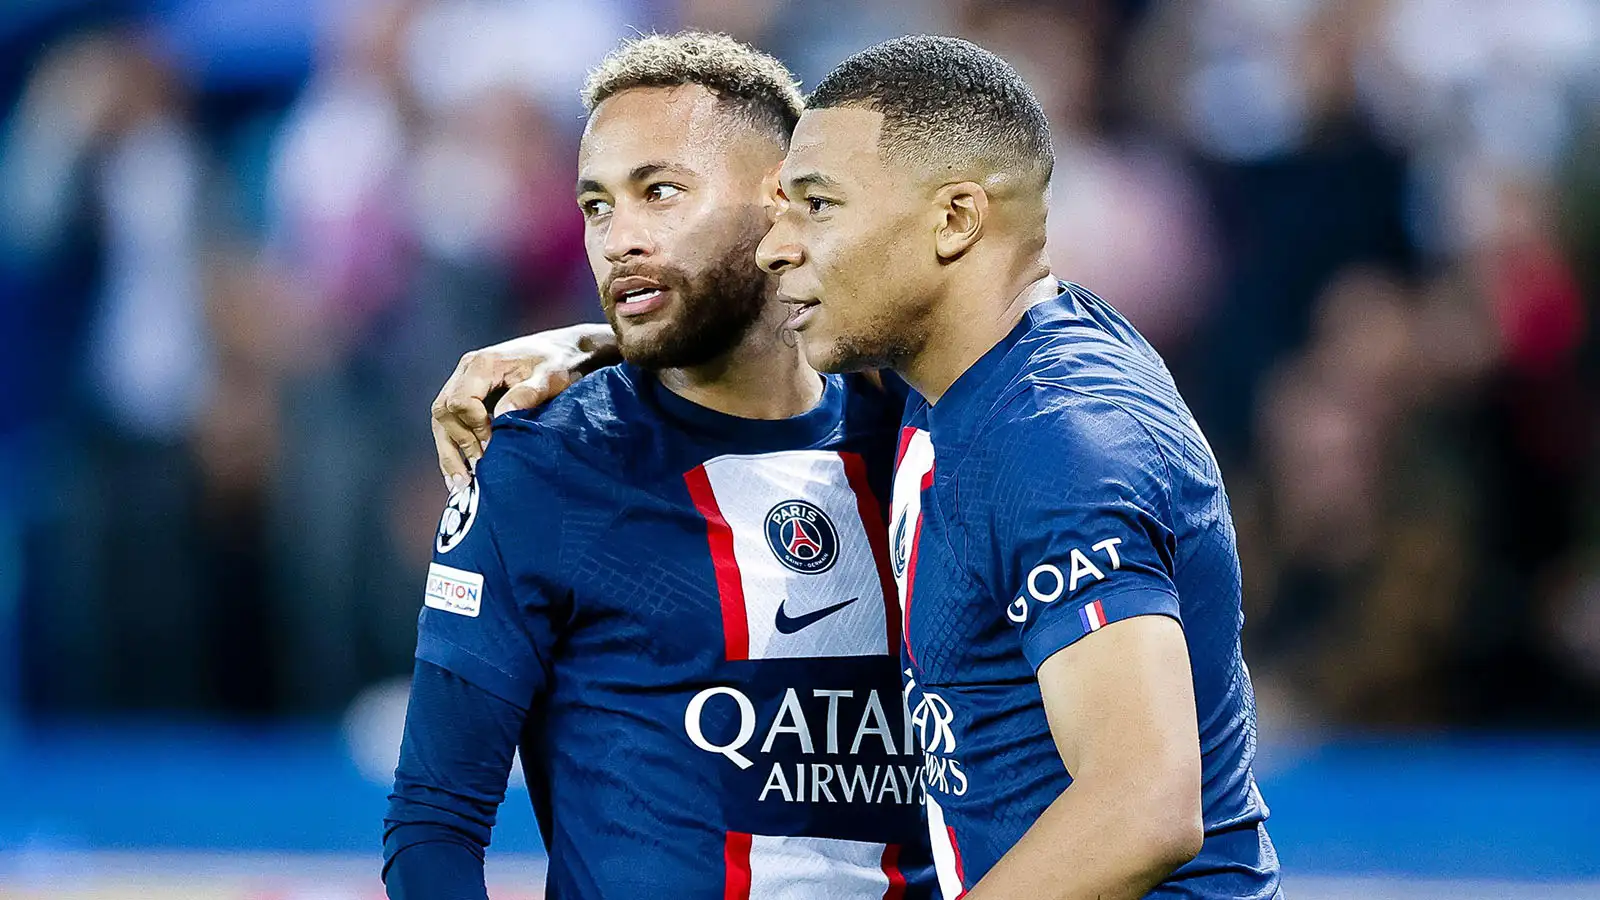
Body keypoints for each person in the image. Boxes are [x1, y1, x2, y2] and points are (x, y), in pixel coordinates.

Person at [434, 35, 1280, 900]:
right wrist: (602, 340)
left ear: (953, 220)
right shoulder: (969, 377)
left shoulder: (1057, 440)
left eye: (819, 206)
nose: (777, 245)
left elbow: (1143, 805)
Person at [383, 32, 933, 900]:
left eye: (660, 192)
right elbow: (433, 825)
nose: (619, 239)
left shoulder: (913, 443)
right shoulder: (539, 468)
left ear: (782, 203)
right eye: (596, 206)